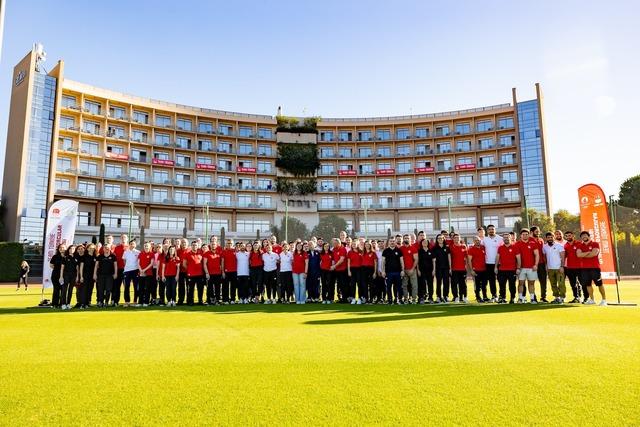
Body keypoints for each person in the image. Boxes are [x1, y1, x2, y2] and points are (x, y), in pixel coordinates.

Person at [577, 231, 607, 306]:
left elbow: (594, 254)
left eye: (585, 235)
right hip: (584, 268)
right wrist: (588, 252)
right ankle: (592, 299)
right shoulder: (580, 245)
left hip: (595, 268)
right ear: (581, 238)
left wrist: (584, 254)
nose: (584, 237)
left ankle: (604, 300)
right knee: (588, 284)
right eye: (582, 236)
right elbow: (578, 255)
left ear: (588, 236)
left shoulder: (595, 244)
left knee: (599, 284)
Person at [515, 228, 540, 304]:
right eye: (523, 234)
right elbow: (517, 257)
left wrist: (536, 265)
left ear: (529, 235)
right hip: (521, 268)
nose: (525, 236)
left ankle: (532, 299)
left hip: (531, 268)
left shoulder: (533, 243)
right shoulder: (517, 244)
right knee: (521, 283)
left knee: (531, 283)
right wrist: (518, 268)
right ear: (520, 235)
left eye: (526, 234)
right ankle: (520, 298)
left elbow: (537, 255)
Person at [495, 233, 519, 304]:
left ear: (510, 238)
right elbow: (497, 258)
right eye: (504, 237)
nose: (506, 238)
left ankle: (513, 298)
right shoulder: (500, 247)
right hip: (502, 269)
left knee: (512, 285)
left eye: (507, 237)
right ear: (503, 239)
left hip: (512, 270)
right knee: (502, 285)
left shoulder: (515, 247)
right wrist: (496, 267)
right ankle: (503, 298)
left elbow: (518, 258)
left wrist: (518, 268)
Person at [542, 232, 566, 304]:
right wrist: (546, 265)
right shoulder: (544, 246)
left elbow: (563, 256)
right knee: (553, 284)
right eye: (548, 237)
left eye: (551, 237)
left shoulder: (559, 245)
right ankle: (556, 298)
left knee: (561, 283)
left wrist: (562, 266)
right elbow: (545, 257)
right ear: (546, 238)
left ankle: (562, 298)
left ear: (554, 237)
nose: (550, 239)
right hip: (550, 269)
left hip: (559, 268)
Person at [482, 224, 503, 302]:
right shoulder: (484, 239)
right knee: (491, 280)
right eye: (490, 229)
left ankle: (501, 295)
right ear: (487, 231)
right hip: (489, 263)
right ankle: (494, 296)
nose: (491, 230)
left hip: (500, 263)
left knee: (501, 280)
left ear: (495, 230)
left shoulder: (500, 239)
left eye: (492, 229)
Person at [381, 238, 404, 304]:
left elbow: (401, 261)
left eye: (393, 241)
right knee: (388, 286)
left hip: (398, 272)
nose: (392, 242)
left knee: (398, 286)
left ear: (395, 242)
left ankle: (399, 299)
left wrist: (402, 270)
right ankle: (390, 299)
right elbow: (383, 262)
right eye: (391, 241)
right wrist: (383, 271)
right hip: (388, 272)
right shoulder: (385, 251)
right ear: (388, 242)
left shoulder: (399, 250)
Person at [563, 231, 583, 303]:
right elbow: (564, 256)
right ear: (565, 237)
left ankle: (585, 298)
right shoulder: (565, 245)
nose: (568, 237)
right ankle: (576, 297)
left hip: (579, 267)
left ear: (573, 236)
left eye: (570, 235)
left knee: (582, 283)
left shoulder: (579, 243)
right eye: (567, 236)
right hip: (570, 267)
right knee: (573, 284)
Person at [530, 226, 548, 302]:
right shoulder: (528, 240)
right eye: (536, 231)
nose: (538, 233)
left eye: (538, 231)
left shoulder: (541, 240)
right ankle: (533, 297)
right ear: (531, 232)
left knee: (543, 281)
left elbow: (544, 253)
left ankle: (543, 297)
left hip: (542, 264)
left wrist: (546, 263)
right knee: (532, 281)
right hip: (532, 264)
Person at [183, 240, 204, 306]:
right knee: (191, 289)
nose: (194, 246)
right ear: (191, 246)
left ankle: (200, 301)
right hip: (190, 275)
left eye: (195, 245)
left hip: (200, 274)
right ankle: (190, 301)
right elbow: (184, 264)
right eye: (193, 245)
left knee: (200, 288)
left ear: (197, 246)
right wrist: (189, 269)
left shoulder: (201, 253)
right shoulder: (187, 254)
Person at [432, 234, 451, 303]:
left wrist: (450, 268)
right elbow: (434, 260)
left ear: (443, 239)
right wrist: (434, 269)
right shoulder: (434, 248)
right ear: (437, 239)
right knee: (439, 283)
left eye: (441, 238)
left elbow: (449, 258)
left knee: (446, 282)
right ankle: (438, 297)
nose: (440, 239)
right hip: (438, 268)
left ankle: (446, 296)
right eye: (438, 238)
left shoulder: (447, 247)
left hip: (446, 268)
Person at [467, 236, 488, 303]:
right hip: (476, 270)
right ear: (473, 241)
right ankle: (478, 297)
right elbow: (469, 261)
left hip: (484, 269)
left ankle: (485, 297)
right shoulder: (471, 249)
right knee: (477, 285)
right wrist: (471, 270)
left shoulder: (483, 247)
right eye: (475, 240)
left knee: (484, 284)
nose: (477, 241)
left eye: (478, 240)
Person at [400, 234, 419, 304]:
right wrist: (402, 270)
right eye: (405, 238)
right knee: (404, 285)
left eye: (408, 238)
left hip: (412, 270)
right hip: (403, 270)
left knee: (414, 285)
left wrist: (412, 269)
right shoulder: (401, 249)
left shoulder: (413, 248)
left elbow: (416, 259)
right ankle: (406, 299)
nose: (406, 239)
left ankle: (414, 299)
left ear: (410, 239)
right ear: (403, 239)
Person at [449, 234, 469, 303]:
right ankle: (456, 297)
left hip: (463, 269)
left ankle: (464, 297)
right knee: (454, 284)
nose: (457, 239)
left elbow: (466, 258)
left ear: (460, 238)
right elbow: (449, 258)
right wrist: (450, 268)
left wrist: (467, 267)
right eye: (455, 238)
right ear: (453, 239)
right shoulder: (451, 247)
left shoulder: (464, 246)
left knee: (463, 284)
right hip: (454, 269)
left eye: (458, 237)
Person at [60, 245, 79, 310]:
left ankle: (68, 303)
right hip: (66, 275)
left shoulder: (76, 258)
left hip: (73, 275)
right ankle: (63, 304)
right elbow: (62, 268)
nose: (72, 250)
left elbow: (77, 268)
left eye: (73, 249)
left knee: (70, 290)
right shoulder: (65, 257)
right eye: (71, 249)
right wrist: (61, 277)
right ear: (69, 249)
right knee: (64, 290)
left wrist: (77, 277)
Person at [112, 234, 129, 306]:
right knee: (117, 286)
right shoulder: (117, 248)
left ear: (127, 239)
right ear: (120, 239)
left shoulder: (129, 247)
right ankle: (116, 301)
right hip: (118, 269)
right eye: (122, 237)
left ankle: (127, 301)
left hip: (127, 270)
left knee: (126, 286)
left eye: (124, 237)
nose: (123, 239)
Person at [417, 238, 435, 304]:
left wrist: (434, 270)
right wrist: (418, 270)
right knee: (422, 284)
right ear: (421, 243)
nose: (425, 243)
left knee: (430, 284)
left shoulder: (431, 251)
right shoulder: (419, 251)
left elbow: (433, 261)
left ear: (428, 243)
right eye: (423, 242)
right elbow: (417, 261)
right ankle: (422, 297)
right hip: (422, 270)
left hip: (430, 270)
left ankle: (430, 297)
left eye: (426, 242)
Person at [122, 240, 140, 307]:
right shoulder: (126, 252)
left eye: (133, 244)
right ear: (129, 245)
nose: (132, 245)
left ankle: (135, 301)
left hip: (135, 271)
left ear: (135, 245)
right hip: (127, 271)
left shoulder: (138, 252)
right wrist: (127, 267)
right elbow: (124, 261)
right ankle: (127, 301)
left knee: (136, 287)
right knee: (126, 286)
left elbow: (139, 261)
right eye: (131, 244)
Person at [79, 243, 97, 308]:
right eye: (90, 248)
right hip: (85, 275)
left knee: (90, 289)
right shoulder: (84, 256)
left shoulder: (95, 257)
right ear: (87, 249)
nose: (91, 249)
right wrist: (81, 276)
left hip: (92, 276)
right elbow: (81, 267)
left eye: (93, 248)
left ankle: (87, 303)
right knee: (84, 290)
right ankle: (83, 304)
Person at [330, 239, 348, 303]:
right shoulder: (334, 250)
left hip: (343, 270)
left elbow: (341, 259)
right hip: (337, 270)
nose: (333, 244)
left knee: (343, 285)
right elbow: (333, 259)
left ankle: (345, 298)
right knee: (339, 285)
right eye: (333, 243)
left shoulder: (342, 249)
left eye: (335, 243)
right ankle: (340, 298)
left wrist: (334, 266)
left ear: (339, 243)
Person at [138, 242, 155, 307]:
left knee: (147, 288)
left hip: (148, 273)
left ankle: (146, 302)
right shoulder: (141, 253)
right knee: (141, 288)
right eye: (145, 246)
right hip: (141, 273)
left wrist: (144, 270)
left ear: (150, 247)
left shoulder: (151, 254)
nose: (146, 247)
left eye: (147, 246)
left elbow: (151, 264)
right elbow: (138, 263)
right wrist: (141, 270)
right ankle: (140, 302)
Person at [49, 244, 66, 308]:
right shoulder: (55, 256)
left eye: (63, 247)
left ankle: (62, 304)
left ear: (66, 248)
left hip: (64, 276)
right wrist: (57, 269)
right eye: (60, 248)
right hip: (55, 275)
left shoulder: (67, 256)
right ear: (58, 249)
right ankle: (54, 304)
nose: (61, 249)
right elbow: (51, 265)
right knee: (56, 290)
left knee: (63, 290)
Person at [222, 239, 237, 304]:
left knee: (233, 286)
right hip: (226, 272)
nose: (229, 244)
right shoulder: (224, 252)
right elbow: (222, 262)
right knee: (225, 286)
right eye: (228, 243)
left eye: (230, 243)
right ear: (226, 244)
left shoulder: (236, 251)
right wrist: (222, 272)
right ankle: (225, 300)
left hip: (234, 271)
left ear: (233, 244)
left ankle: (233, 299)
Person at [176, 239, 189, 305]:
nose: (184, 244)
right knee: (181, 286)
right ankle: (180, 300)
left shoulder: (189, 250)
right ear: (181, 243)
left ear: (187, 243)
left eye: (185, 242)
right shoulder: (178, 251)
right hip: (180, 271)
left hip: (188, 271)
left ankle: (189, 300)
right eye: (183, 242)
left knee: (188, 286)